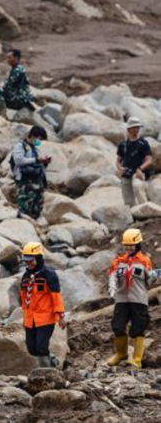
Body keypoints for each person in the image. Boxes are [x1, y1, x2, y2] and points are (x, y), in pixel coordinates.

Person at [107, 229, 155, 368]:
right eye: (126, 245)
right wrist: (112, 286)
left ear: (138, 245)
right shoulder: (119, 261)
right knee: (118, 326)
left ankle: (137, 359)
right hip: (122, 300)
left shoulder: (145, 261)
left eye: (131, 245)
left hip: (139, 300)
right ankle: (121, 354)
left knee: (138, 329)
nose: (128, 248)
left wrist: (154, 277)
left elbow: (148, 282)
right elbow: (112, 275)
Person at [20, 242, 66, 368]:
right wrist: (25, 318)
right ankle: (52, 360)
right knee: (31, 348)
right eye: (26, 261)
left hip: (46, 318)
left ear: (39, 258)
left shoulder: (49, 275)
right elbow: (24, 299)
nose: (28, 263)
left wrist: (61, 317)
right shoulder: (26, 276)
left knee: (41, 347)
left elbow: (56, 297)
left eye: (31, 260)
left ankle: (46, 371)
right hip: (30, 319)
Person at [12, 126, 50, 220]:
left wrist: (45, 163)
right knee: (24, 206)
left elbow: (37, 166)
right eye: (39, 139)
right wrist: (36, 159)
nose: (39, 141)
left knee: (37, 207)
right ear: (33, 136)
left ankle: (33, 223)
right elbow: (18, 160)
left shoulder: (36, 149)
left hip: (37, 182)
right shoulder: (20, 146)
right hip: (26, 181)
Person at [117, 117, 152, 207]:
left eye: (137, 127)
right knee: (128, 200)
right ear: (128, 129)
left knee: (137, 186)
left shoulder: (143, 143)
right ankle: (132, 213)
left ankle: (145, 208)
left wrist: (140, 169)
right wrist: (120, 168)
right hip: (126, 173)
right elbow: (118, 160)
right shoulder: (123, 145)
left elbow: (149, 160)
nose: (136, 129)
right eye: (134, 127)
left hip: (138, 173)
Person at [0, 49, 34, 116]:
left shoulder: (17, 70)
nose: (7, 60)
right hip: (22, 97)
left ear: (16, 58)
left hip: (21, 99)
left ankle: (0, 116)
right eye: (7, 57)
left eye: (9, 57)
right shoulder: (18, 68)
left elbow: (8, 86)